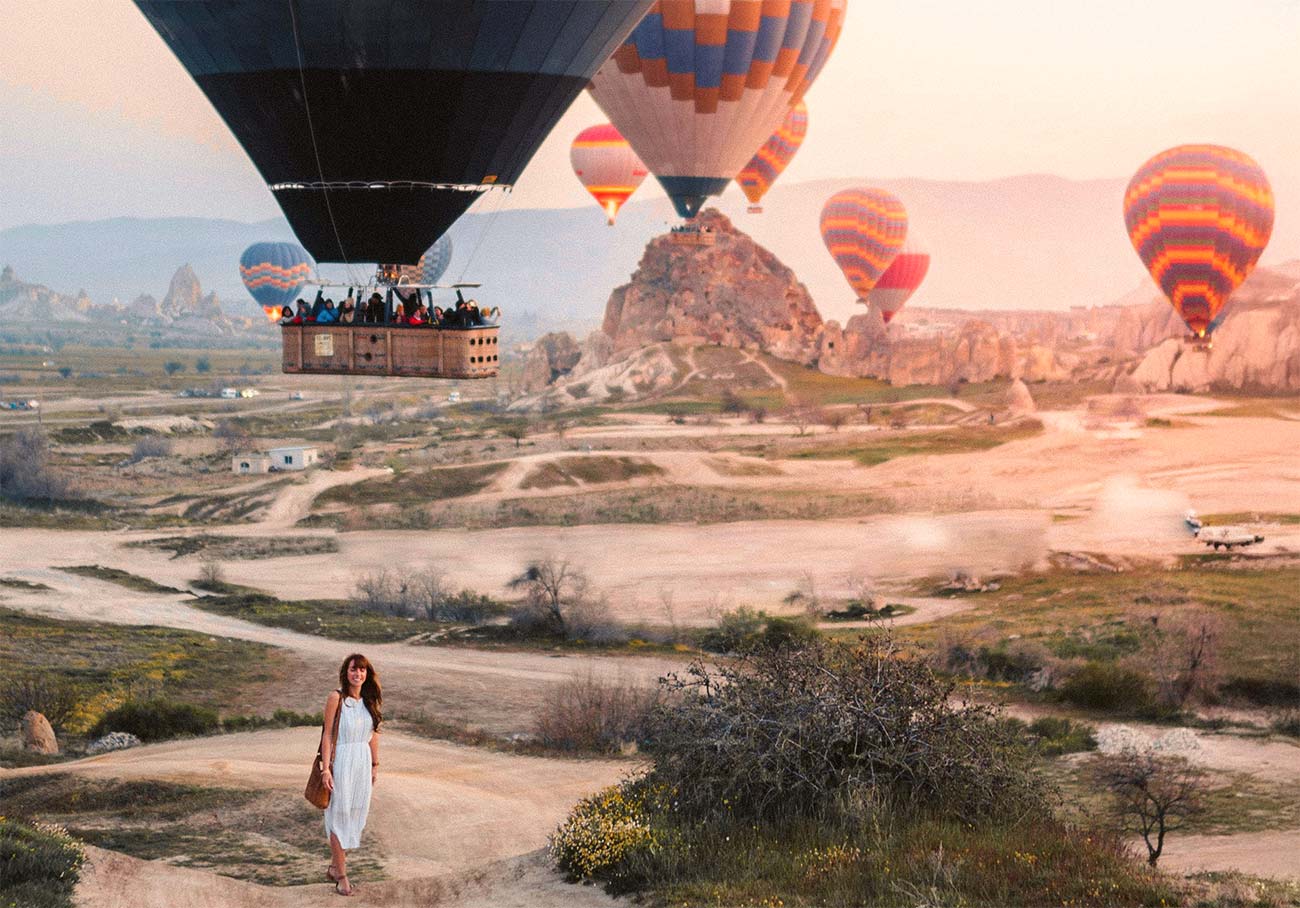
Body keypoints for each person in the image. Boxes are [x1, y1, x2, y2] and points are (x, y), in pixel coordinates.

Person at [321, 653, 381, 897]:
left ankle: (335, 866)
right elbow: (327, 735)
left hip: (362, 763)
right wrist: (326, 768)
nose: (358, 674)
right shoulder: (336, 698)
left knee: (356, 814)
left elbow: (374, 734)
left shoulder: (369, 701)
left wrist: (375, 764)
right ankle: (342, 877)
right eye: (354, 670)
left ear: (367, 674)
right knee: (339, 815)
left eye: (362, 670)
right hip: (342, 761)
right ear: (346, 673)